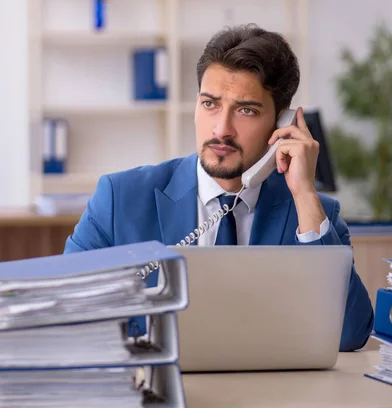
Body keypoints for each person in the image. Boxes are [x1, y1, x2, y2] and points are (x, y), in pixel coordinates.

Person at [65, 23, 374, 351]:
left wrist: (304, 194)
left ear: (281, 124)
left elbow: (349, 334)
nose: (221, 129)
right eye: (210, 104)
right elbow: (65, 313)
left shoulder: (313, 215)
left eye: (246, 110)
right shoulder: (120, 199)